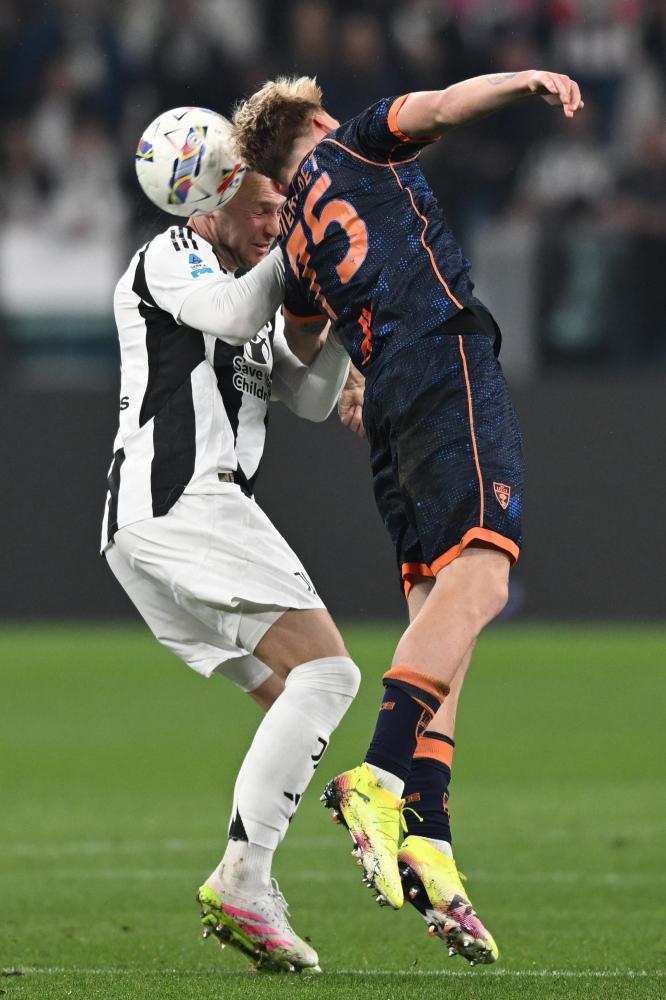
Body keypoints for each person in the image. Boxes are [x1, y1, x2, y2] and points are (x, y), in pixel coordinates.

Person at [232, 69, 584, 965]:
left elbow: (300, 349)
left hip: (388, 403)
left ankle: (428, 830)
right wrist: (525, 82)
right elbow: (444, 107)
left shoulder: (299, 245)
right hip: (444, 363)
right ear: (318, 120)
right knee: (486, 577)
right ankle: (382, 774)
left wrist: (354, 375)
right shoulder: (357, 141)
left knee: (440, 603)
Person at [101, 163, 362, 974]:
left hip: (158, 523)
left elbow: (306, 396)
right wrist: (301, 248)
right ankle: (243, 881)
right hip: (184, 499)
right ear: (211, 206)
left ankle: (254, 884)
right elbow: (234, 310)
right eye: (262, 211)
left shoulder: (246, 288)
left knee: (290, 697)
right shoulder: (172, 255)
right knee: (330, 675)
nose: (272, 225)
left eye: (283, 213)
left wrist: (328, 331)